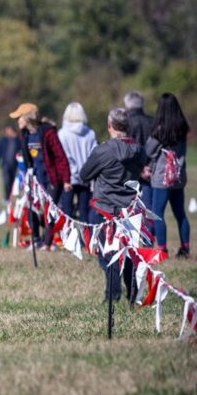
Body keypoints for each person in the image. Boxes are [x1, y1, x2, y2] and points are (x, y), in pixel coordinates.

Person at [80, 108, 147, 301]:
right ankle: (133, 294)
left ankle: (112, 295)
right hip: (131, 209)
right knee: (129, 253)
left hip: (107, 208)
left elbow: (85, 175)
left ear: (109, 126)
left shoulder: (103, 151)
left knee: (108, 253)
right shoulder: (139, 150)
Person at [10, 103, 71, 249]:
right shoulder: (24, 134)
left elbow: (60, 156)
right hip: (34, 179)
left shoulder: (47, 132)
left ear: (27, 118)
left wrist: (66, 180)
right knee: (31, 208)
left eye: (19, 117)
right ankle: (36, 239)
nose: (17, 121)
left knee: (49, 211)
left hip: (52, 179)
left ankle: (47, 243)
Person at [145, 93, 191, 258]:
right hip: (179, 176)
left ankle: (162, 249)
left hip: (162, 177)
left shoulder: (160, 130)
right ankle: (185, 248)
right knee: (180, 214)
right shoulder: (182, 127)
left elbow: (148, 150)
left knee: (158, 212)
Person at [57, 102, 98, 223]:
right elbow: (94, 155)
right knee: (84, 213)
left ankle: (68, 240)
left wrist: (73, 173)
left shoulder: (62, 134)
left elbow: (64, 157)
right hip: (86, 177)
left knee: (67, 213)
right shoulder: (90, 133)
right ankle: (84, 240)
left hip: (68, 178)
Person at [125, 91, 154, 213]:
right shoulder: (152, 121)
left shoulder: (125, 122)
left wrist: (138, 169)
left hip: (131, 171)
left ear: (127, 105)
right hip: (149, 171)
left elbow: (126, 149)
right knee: (148, 211)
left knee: (130, 212)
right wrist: (147, 167)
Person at [0, 125, 21, 204]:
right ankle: (6, 197)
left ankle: (12, 197)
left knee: (14, 181)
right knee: (6, 181)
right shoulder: (2, 140)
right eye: (8, 131)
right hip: (5, 164)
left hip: (15, 165)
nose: (9, 132)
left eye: (11, 130)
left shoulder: (18, 140)